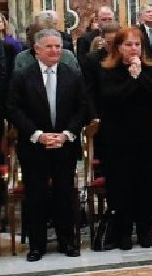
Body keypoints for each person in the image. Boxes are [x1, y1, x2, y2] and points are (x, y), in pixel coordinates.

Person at [6, 29, 90, 261]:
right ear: (37, 49)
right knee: (36, 196)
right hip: (34, 146)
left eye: (58, 46)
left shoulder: (72, 74)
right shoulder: (22, 76)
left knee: (65, 194)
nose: (55, 50)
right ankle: (37, 245)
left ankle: (67, 242)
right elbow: (13, 108)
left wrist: (66, 134)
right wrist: (38, 134)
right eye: (49, 46)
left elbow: (83, 108)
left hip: (64, 145)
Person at [95, 27, 152, 250]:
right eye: (128, 44)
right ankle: (123, 233)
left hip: (148, 139)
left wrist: (139, 76)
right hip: (118, 141)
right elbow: (111, 98)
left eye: (137, 44)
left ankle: (145, 231)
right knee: (121, 187)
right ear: (118, 47)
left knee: (147, 185)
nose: (133, 48)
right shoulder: (107, 71)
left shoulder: (151, 69)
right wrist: (133, 79)